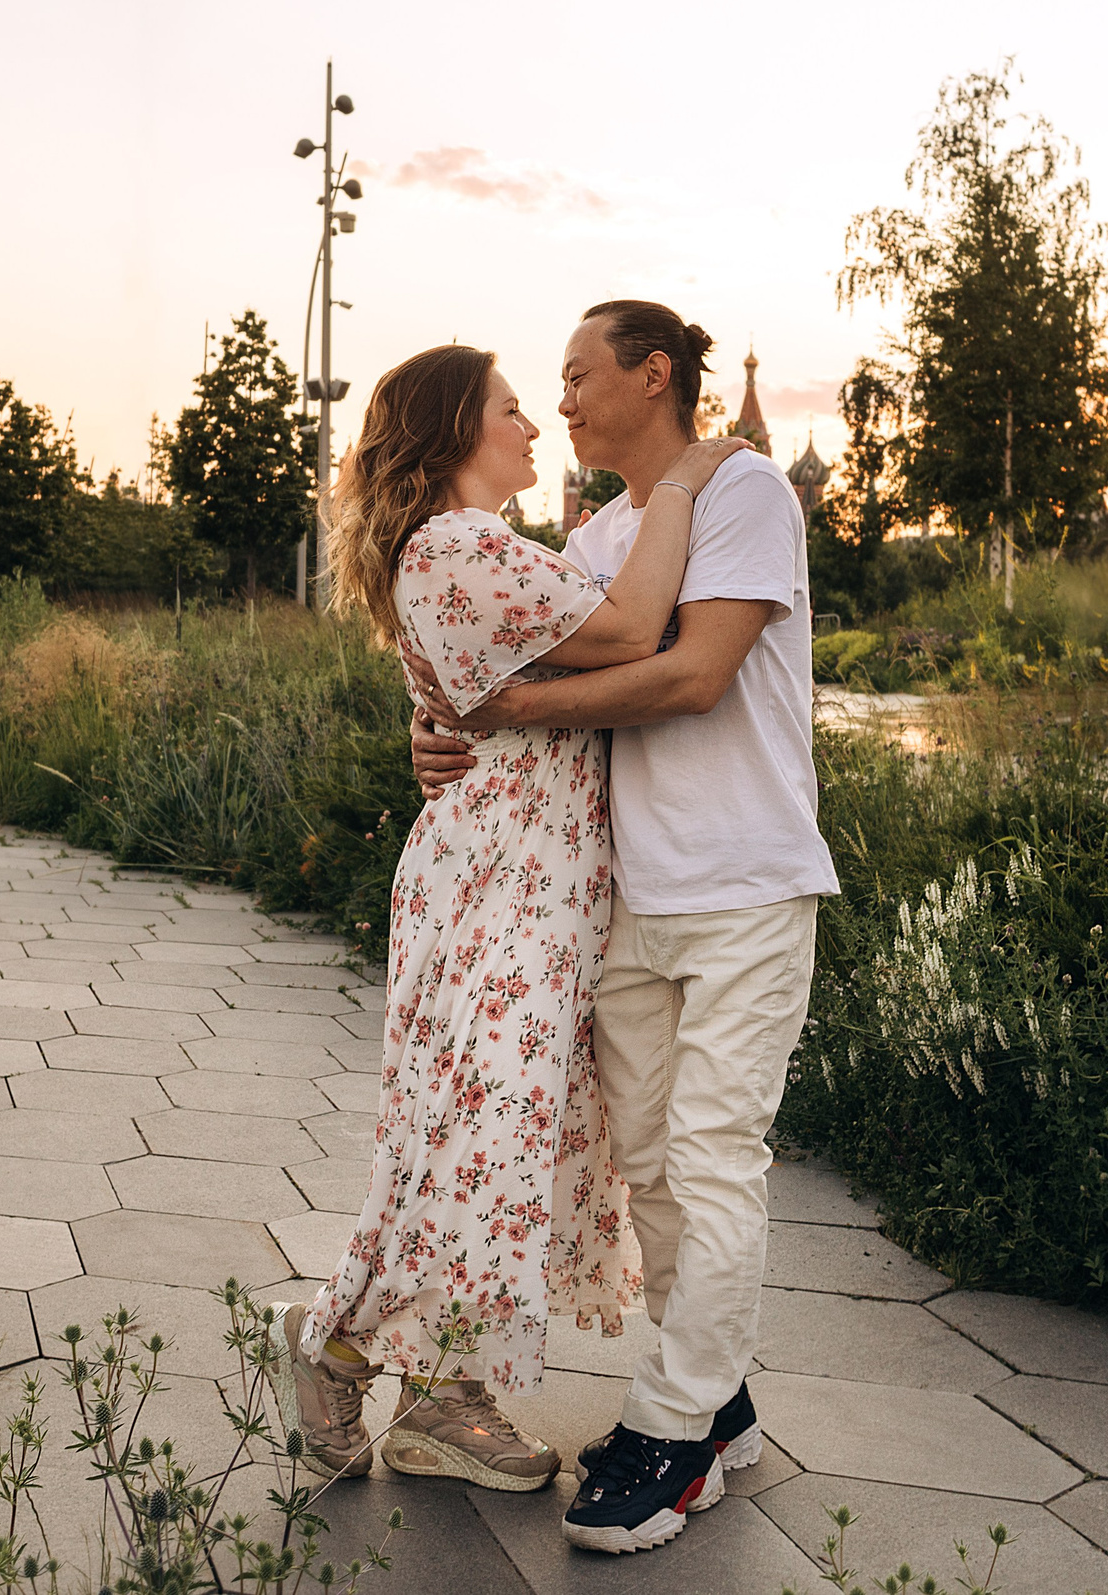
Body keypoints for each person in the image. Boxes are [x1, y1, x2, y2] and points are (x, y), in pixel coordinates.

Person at [258, 341, 744, 1499]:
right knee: (479, 1138)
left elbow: (500, 699)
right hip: (504, 890)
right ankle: (367, 1361)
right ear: (453, 434)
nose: (535, 427)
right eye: (513, 410)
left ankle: (424, 1385)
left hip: (522, 882)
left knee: (485, 1139)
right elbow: (635, 631)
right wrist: (684, 482)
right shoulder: (459, 545)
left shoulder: (476, 550)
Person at [404, 300, 840, 1553]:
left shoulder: (745, 491)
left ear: (655, 377)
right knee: (646, 1167)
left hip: (746, 883)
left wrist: (510, 708)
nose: (565, 402)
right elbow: (512, 659)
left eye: (582, 376)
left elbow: (689, 675)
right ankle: (724, 1389)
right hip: (625, 895)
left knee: (712, 1158)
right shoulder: (596, 536)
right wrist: (446, 723)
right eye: (549, 384)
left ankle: (671, 1427)